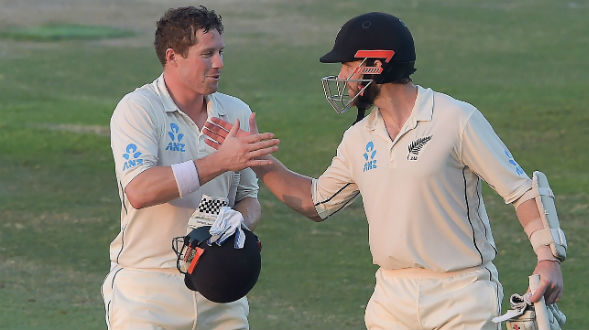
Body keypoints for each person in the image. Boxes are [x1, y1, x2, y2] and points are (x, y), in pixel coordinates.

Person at [204, 12, 565, 330]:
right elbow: (314, 202)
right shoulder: (358, 139)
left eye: (347, 66)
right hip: (391, 296)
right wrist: (256, 158)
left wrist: (547, 259)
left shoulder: (455, 119)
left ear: (376, 65)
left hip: (462, 294)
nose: (342, 77)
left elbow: (521, 191)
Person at [101, 6, 279, 330]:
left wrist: (242, 220)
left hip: (220, 290)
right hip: (147, 290)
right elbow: (140, 190)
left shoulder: (236, 111)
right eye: (207, 54)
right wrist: (220, 161)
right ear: (173, 56)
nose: (220, 63)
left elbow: (249, 198)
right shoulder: (138, 109)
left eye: (221, 52)